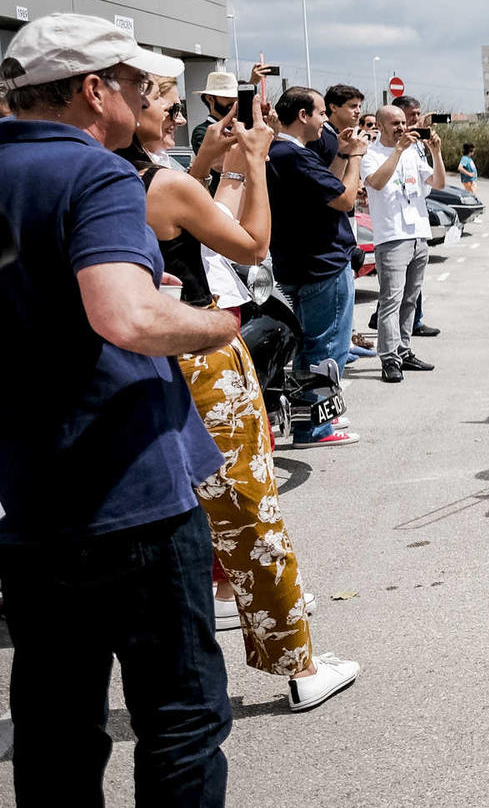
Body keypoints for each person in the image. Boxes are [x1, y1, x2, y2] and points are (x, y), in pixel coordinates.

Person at [0, 13, 235, 804]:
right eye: (135, 84)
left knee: (56, 728)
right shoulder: (94, 172)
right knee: (180, 719)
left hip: (30, 504)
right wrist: (213, 324)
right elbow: (125, 318)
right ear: (94, 92)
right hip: (131, 493)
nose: (144, 98)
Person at [116, 77, 362, 712]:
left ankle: (222, 611)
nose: (181, 118)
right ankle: (302, 663)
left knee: (186, 511)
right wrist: (252, 161)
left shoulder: (98, 178)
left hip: (133, 363)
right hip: (203, 358)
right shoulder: (156, 184)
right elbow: (251, 243)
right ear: (112, 100)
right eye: (169, 109)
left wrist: (208, 163)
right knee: (250, 509)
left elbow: (182, 215)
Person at [267, 87, 366, 447]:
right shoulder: (292, 155)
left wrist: (340, 152)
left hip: (296, 263)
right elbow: (343, 198)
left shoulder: (280, 154)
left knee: (310, 349)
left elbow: (327, 186)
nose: (326, 120)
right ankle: (316, 428)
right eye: (322, 112)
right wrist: (355, 157)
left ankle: (315, 417)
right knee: (326, 351)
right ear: (304, 115)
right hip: (323, 264)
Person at [364, 104, 444, 382]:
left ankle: (404, 349)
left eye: (403, 122)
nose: (401, 127)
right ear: (381, 125)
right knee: (391, 300)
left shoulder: (412, 152)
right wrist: (397, 151)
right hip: (392, 236)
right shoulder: (371, 154)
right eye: (395, 123)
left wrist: (436, 151)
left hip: (418, 233)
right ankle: (388, 358)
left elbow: (439, 182)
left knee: (411, 298)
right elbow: (375, 182)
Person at [308, 83, 365, 166]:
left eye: (360, 106)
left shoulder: (353, 137)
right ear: (333, 107)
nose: (358, 111)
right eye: (353, 106)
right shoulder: (318, 135)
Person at [190, 69, 238, 152]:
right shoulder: (202, 132)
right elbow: (216, 162)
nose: (234, 102)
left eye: (237, 97)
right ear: (210, 99)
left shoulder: (241, 127)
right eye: (227, 96)